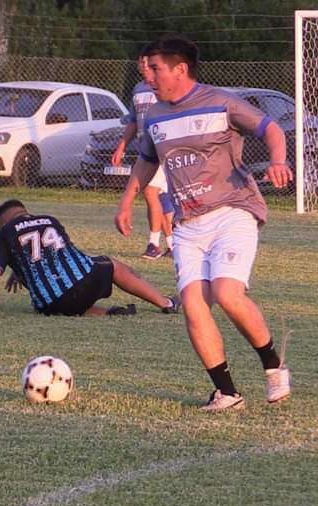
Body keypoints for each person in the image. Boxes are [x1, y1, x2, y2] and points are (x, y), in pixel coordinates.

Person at [115, 35, 294, 412]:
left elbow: (271, 129)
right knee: (194, 307)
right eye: (146, 68)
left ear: (180, 69)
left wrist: (279, 160)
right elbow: (147, 160)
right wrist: (127, 201)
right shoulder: (156, 115)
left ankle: (273, 365)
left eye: (155, 68)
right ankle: (227, 392)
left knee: (228, 294)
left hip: (233, 210)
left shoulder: (220, 102)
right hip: (187, 225)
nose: (149, 75)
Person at [0, 199, 181, 317]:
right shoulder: (49, 219)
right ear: (24, 212)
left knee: (55, 294)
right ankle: (166, 303)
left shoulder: (4, 233)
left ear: (3, 222)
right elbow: (56, 253)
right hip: (86, 283)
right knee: (113, 265)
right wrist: (18, 268)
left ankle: (108, 313)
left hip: (52, 305)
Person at [112, 51, 174, 260]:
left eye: (147, 61)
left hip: (162, 148)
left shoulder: (166, 86)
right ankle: (172, 245)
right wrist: (122, 145)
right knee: (160, 199)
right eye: (141, 60)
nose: (142, 64)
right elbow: (132, 120)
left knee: (150, 193)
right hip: (145, 150)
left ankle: (154, 244)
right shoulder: (139, 88)